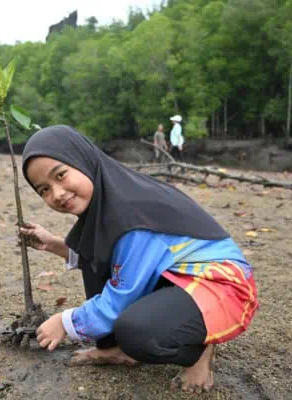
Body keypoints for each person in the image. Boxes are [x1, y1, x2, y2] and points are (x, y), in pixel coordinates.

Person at [20, 125, 258, 394]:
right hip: (174, 274)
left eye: (61, 175)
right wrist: (54, 245)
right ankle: (113, 348)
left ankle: (199, 350)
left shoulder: (129, 214)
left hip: (219, 283)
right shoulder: (105, 201)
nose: (58, 193)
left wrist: (65, 322)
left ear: (83, 159)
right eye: (44, 190)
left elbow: (120, 296)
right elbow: (102, 255)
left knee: (137, 332)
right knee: (94, 255)